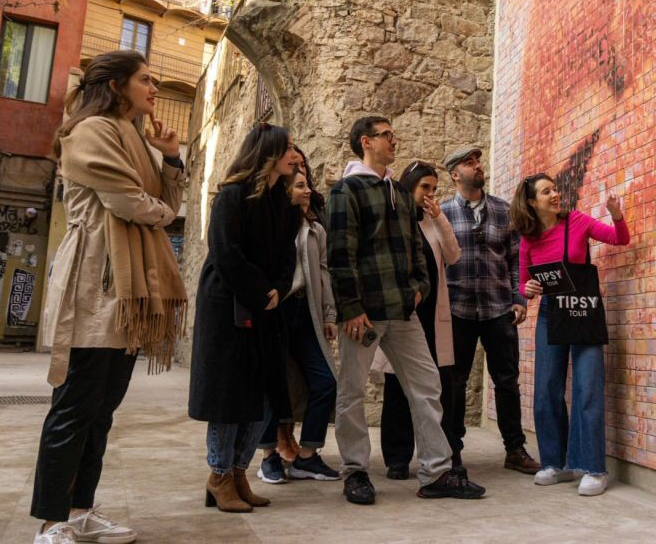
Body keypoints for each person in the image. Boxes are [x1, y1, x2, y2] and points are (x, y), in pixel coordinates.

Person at [32, 50, 187, 544]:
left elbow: (167, 201)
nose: (154, 89)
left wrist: (170, 157)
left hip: (127, 287)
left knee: (102, 410)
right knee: (75, 406)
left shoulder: (137, 140)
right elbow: (127, 201)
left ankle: (80, 511)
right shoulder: (90, 131)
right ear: (117, 85)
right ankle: (51, 524)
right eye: (146, 80)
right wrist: (162, 211)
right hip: (95, 281)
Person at [328, 115, 485, 504]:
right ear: (366, 142)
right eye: (386, 136)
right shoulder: (346, 191)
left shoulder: (398, 192)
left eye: (393, 136)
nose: (393, 141)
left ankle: (436, 471)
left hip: (403, 312)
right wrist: (350, 308)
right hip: (363, 314)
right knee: (351, 391)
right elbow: (340, 254)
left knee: (427, 385)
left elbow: (416, 247)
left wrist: (419, 287)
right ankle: (355, 472)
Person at [188, 123, 301, 513]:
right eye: (288, 148)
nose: (294, 155)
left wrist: (278, 290)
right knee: (229, 395)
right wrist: (259, 291)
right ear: (269, 152)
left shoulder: (282, 203)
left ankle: (239, 473)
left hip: (266, 305)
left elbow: (289, 255)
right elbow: (225, 252)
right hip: (228, 306)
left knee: (264, 394)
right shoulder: (232, 195)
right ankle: (219, 475)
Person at [509, 173, 629, 497]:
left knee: (587, 387)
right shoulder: (528, 239)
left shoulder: (577, 221)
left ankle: (593, 467)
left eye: (555, 189)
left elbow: (619, 239)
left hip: (584, 310)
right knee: (547, 388)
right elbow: (522, 284)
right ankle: (556, 463)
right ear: (532, 202)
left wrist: (617, 216)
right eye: (547, 191)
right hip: (550, 312)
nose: (555, 194)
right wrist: (528, 289)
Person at [441, 147, 540, 474]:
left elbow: (516, 260)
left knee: (507, 381)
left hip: (499, 309)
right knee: (453, 383)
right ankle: (452, 451)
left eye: (478, 161)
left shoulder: (502, 211)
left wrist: (518, 297)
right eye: (469, 163)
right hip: (458, 310)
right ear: (455, 174)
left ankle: (514, 449)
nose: (477, 166)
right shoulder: (442, 214)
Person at [377, 161, 463, 479]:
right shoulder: (391, 217)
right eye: (424, 187)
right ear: (409, 186)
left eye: (433, 189)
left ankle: (443, 453)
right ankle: (397, 459)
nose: (429, 194)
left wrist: (439, 216)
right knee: (397, 388)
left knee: (436, 389)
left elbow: (454, 256)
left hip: (431, 317)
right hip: (400, 315)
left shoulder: (432, 222)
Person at [255, 162, 340, 484]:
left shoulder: (315, 227)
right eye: (300, 185)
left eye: (307, 184)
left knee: (325, 382)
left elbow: (323, 271)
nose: (308, 191)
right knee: (273, 385)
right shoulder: (271, 223)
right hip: (277, 311)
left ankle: (307, 455)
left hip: (307, 313)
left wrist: (329, 315)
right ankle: (268, 457)